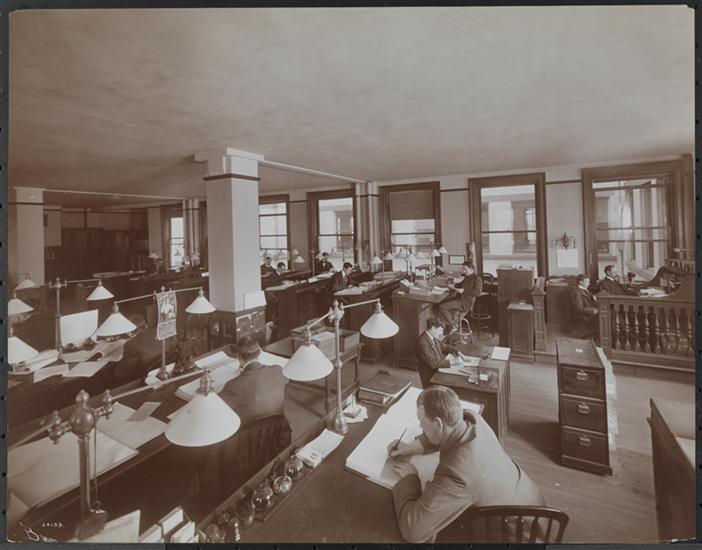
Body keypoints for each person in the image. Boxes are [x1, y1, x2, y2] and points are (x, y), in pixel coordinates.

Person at [389, 386, 545, 543]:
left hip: (519, 534)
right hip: (532, 503)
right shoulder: (472, 419)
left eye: (421, 423)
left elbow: (413, 531)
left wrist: (410, 478)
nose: (420, 427)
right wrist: (415, 446)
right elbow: (450, 431)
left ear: (438, 424)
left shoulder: (458, 473)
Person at [414, 317, 460, 388]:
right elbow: (433, 363)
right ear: (433, 328)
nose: (441, 333)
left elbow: (444, 346)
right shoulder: (422, 342)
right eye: (440, 330)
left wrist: (457, 351)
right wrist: (453, 362)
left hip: (438, 370)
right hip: (431, 376)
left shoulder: (432, 337)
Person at [436, 262, 483, 332]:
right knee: (440, 304)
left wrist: (464, 291)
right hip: (460, 299)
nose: (463, 271)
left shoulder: (477, 278)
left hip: (465, 302)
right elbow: (460, 284)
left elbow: (478, 292)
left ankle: (453, 325)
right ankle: (449, 324)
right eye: (463, 269)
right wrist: (452, 286)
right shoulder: (467, 277)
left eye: (465, 269)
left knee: (442, 306)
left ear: (471, 269)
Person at [569, 274, 598, 339]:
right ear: (580, 282)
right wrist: (594, 310)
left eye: (589, 281)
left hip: (589, 313)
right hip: (584, 316)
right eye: (587, 282)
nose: (589, 283)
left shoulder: (585, 290)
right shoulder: (576, 292)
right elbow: (579, 308)